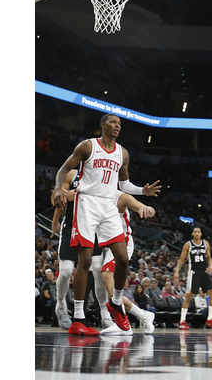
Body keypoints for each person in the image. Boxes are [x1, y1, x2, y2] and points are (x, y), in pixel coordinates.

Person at [52, 113, 161, 336]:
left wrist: (143, 191)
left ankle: (116, 303)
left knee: (122, 257)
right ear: (103, 126)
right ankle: (79, 318)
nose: (117, 126)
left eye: (120, 124)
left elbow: (124, 183)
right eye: (113, 122)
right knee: (84, 261)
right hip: (87, 202)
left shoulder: (123, 153)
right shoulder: (88, 146)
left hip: (109, 204)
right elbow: (64, 168)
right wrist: (57, 188)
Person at [50, 169, 114, 331]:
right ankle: (61, 305)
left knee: (98, 270)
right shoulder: (72, 174)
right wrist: (55, 220)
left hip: (93, 227)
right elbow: (58, 199)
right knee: (65, 272)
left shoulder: (103, 176)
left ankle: (104, 312)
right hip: (71, 225)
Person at [98, 191, 157, 335]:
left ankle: (123, 324)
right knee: (108, 287)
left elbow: (150, 210)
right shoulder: (94, 195)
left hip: (121, 242)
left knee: (107, 276)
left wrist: (147, 210)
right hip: (106, 244)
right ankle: (143, 315)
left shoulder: (120, 197)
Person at [174, 227, 212, 330]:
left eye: (199, 232)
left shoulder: (205, 243)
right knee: (189, 297)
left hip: (204, 272)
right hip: (193, 273)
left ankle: (210, 319)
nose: (197, 233)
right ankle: (182, 321)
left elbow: (208, 257)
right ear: (192, 234)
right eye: (195, 232)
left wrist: (211, 266)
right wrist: (177, 272)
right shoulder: (188, 244)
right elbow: (181, 260)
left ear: (201, 234)